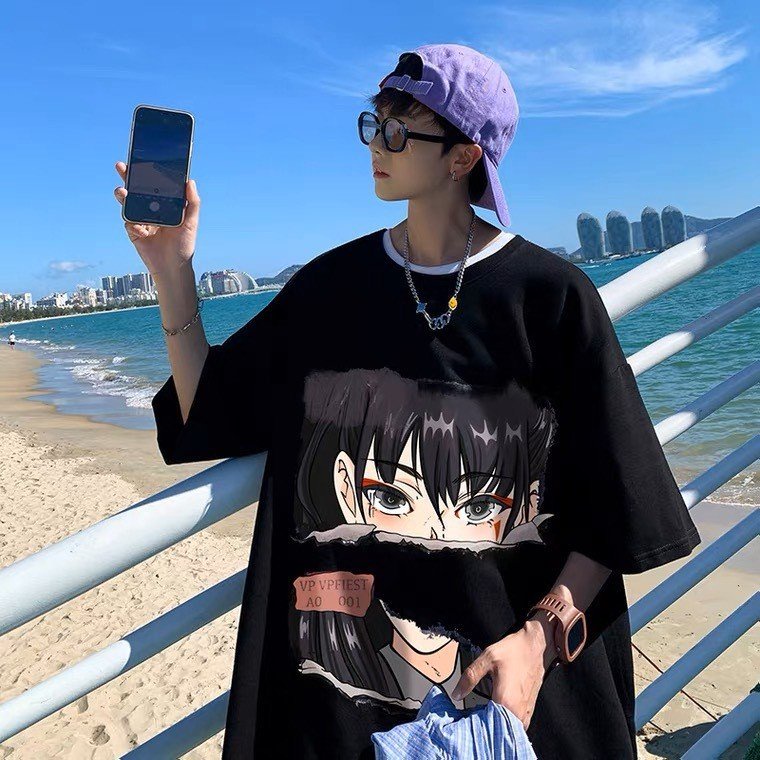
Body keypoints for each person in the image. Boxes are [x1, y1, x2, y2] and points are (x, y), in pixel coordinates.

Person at [114, 43, 701, 759]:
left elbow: (619, 502)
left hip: (506, 700)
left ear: (462, 158)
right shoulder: (328, 291)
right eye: (374, 124)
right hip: (344, 708)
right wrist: (171, 268)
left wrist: (539, 638)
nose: (376, 145)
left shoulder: (549, 299)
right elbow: (209, 407)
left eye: (398, 130)